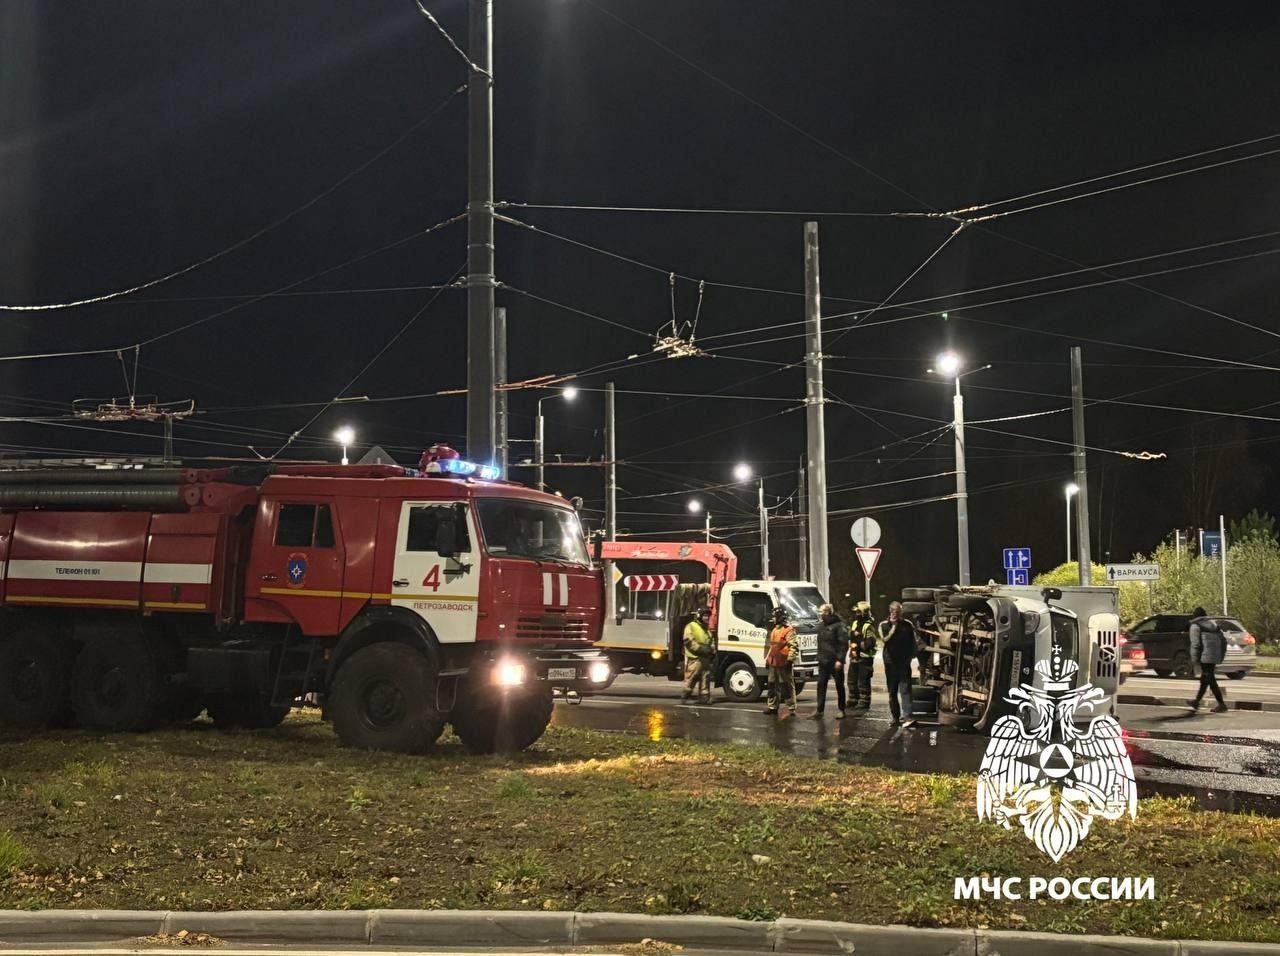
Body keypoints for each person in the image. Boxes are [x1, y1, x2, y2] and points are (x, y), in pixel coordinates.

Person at [880, 601, 917, 726]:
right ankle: (895, 717)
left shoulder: (907, 625)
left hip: (904, 663)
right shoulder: (884, 625)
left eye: (899, 612)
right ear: (890, 611)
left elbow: (913, 641)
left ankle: (908, 717)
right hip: (890, 663)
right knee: (892, 691)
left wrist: (911, 655)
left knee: (906, 689)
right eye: (895, 611)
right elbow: (885, 639)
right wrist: (894, 627)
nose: (897, 614)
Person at [811, 603, 848, 719]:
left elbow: (843, 644)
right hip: (823, 660)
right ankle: (819, 710)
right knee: (821, 684)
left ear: (827, 612)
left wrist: (840, 660)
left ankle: (841, 710)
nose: (819, 614)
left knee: (839, 685)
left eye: (821, 612)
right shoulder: (821, 626)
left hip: (834, 661)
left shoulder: (838, 626)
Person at [1188, 606, 1228, 713]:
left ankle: (1222, 704)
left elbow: (1195, 644)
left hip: (1204, 656)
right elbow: (1223, 641)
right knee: (1206, 679)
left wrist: (1194, 659)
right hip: (1214, 655)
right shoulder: (1213, 624)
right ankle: (1196, 702)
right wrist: (1221, 655)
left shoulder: (1195, 626)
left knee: (1210, 679)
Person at [764, 606, 799, 717]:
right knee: (772, 685)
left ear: (780, 617)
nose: (773, 618)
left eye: (774, 616)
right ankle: (772, 707)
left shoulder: (788, 630)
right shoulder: (775, 630)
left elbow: (793, 646)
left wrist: (790, 660)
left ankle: (791, 707)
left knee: (786, 685)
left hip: (784, 662)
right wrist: (767, 660)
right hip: (774, 662)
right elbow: (772, 647)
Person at [681, 606, 715, 704]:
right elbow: (688, 641)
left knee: (705, 678)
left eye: (708, 616)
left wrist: (712, 650)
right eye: (705, 616)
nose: (707, 618)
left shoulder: (707, 629)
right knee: (691, 678)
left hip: (705, 658)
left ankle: (704, 697)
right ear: (699, 616)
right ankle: (685, 696)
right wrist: (701, 649)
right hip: (695, 658)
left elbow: (711, 641)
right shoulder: (691, 626)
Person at [846, 601, 877, 710]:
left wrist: (859, 640)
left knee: (863, 680)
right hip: (854, 656)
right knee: (852, 679)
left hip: (865, 657)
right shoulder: (855, 623)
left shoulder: (868, 626)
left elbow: (870, 642)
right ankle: (853, 699)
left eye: (859, 611)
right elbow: (851, 635)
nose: (856, 613)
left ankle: (864, 701)